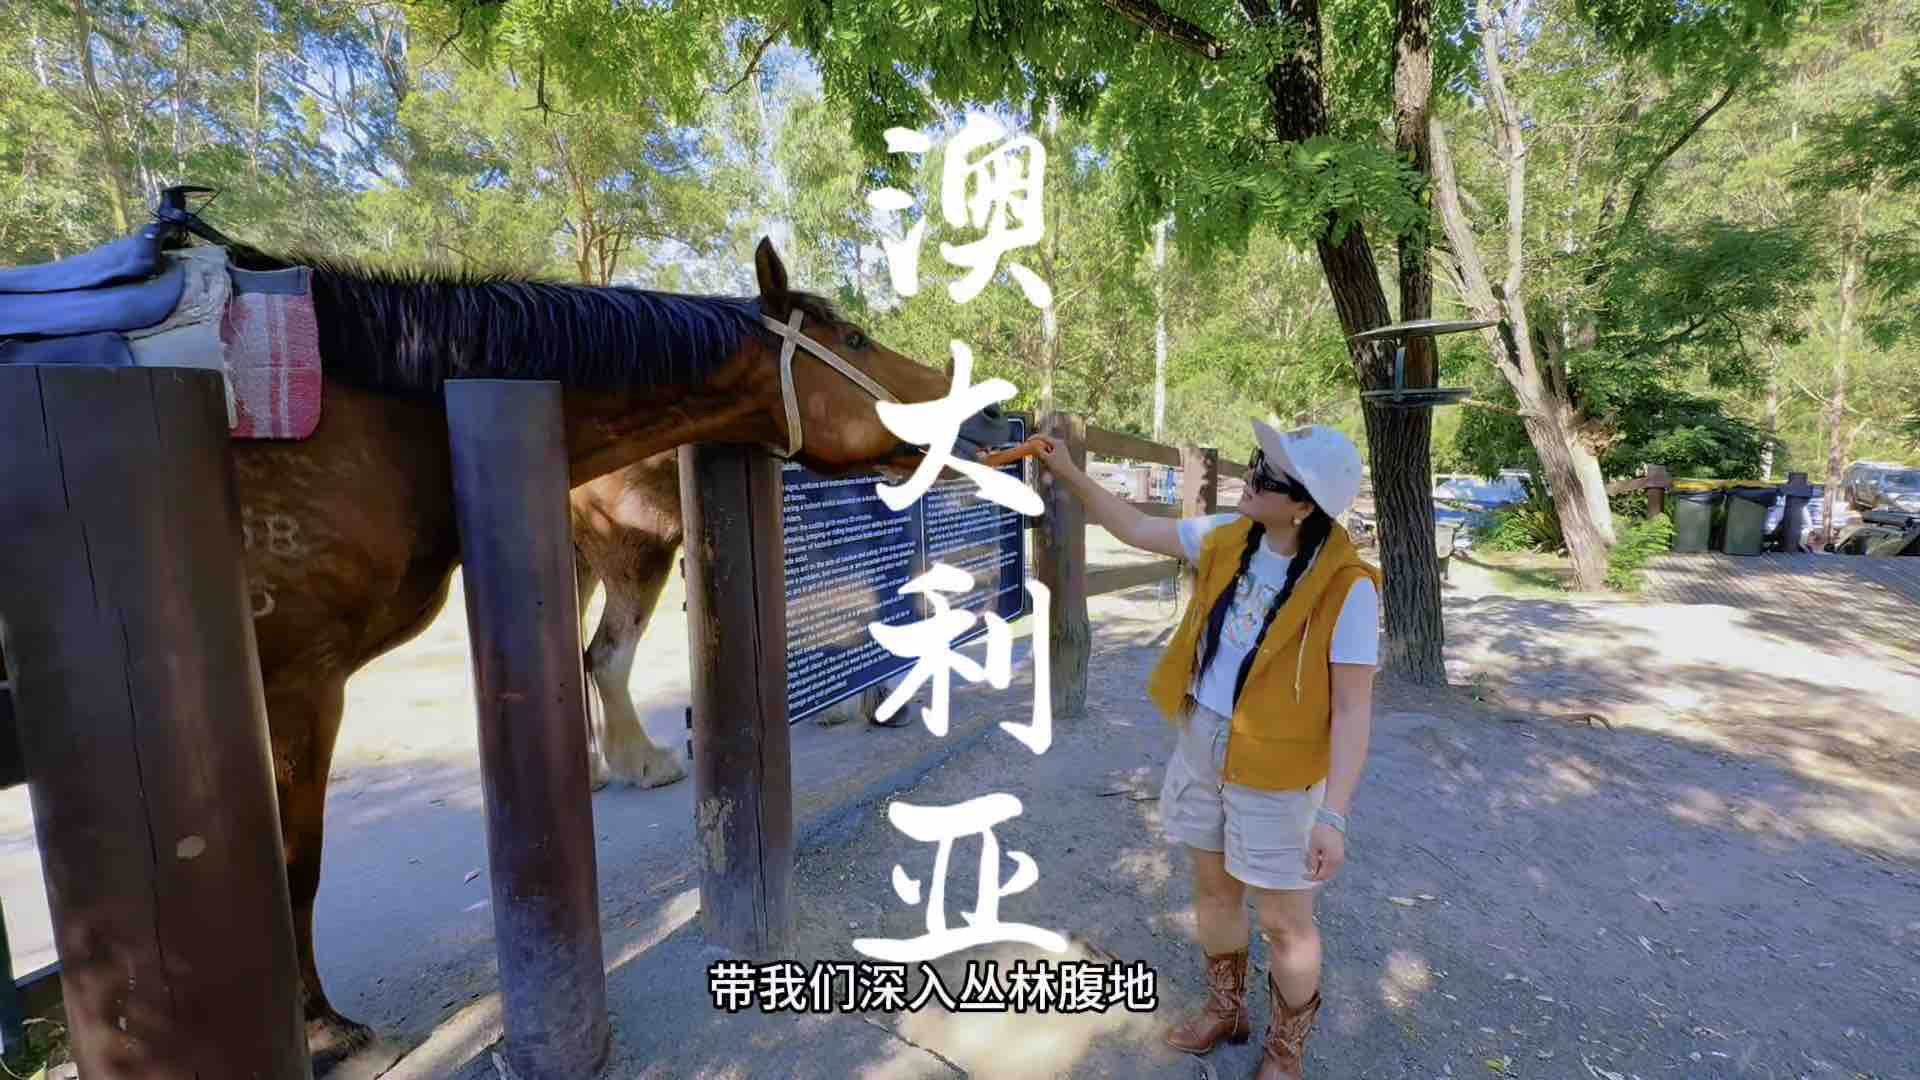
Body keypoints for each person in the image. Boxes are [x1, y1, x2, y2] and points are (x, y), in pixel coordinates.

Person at [1033, 419, 1380, 1079]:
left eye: (1268, 475)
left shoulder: (1348, 589)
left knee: (1284, 920)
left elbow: (1352, 710)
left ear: (1304, 506)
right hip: (1203, 742)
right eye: (1256, 462)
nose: (1251, 478)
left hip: (1279, 769)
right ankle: (1227, 1009)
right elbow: (1137, 528)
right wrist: (1070, 471)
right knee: (1214, 892)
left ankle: (1286, 1050)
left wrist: (1333, 814)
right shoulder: (1229, 536)